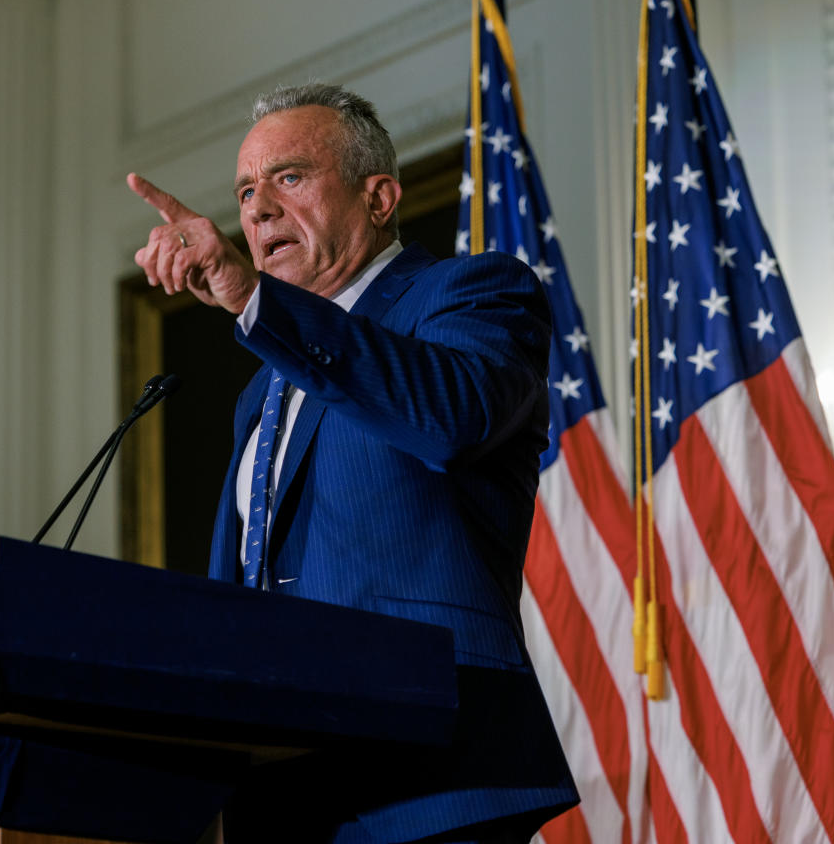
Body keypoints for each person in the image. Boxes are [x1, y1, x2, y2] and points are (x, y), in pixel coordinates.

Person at [129, 84, 577, 844]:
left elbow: (450, 419)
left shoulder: (473, 294)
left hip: (432, 776)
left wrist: (251, 299)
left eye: (290, 177)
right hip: (282, 793)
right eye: (245, 191)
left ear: (379, 198)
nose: (259, 208)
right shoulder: (261, 390)